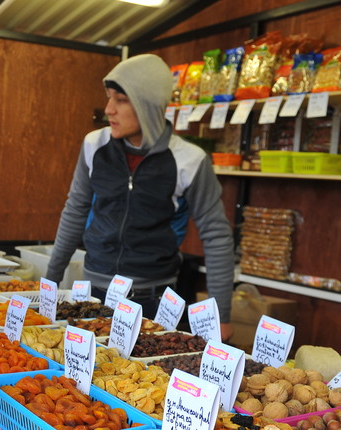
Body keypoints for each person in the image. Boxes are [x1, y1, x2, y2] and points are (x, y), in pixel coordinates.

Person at [44, 54, 235, 341]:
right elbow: (75, 209)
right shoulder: (94, 145)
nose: (109, 109)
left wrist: (221, 314)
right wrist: (50, 281)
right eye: (109, 98)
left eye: (121, 100)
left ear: (148, 105)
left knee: (139, 384)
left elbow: (217, 236)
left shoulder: (189, 160)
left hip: (153, 300)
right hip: (92, 293)